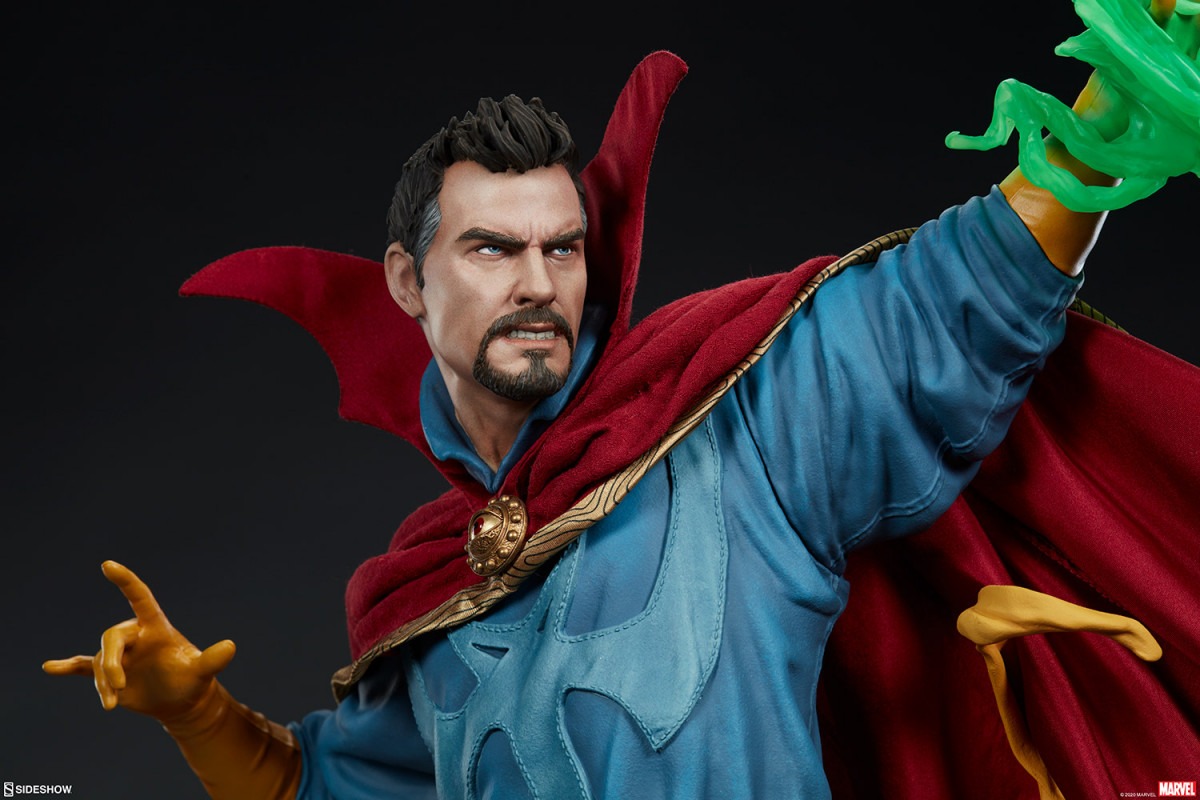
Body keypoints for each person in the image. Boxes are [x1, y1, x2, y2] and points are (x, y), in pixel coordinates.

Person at [46, 3, 1200, 798]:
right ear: (406, 281)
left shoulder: (736, 438)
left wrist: (1119, 97)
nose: (537, 282)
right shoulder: (436, 592)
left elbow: (953, 295)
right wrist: (199, 715)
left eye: (562, 248)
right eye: (493, 248)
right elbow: (320, 783)